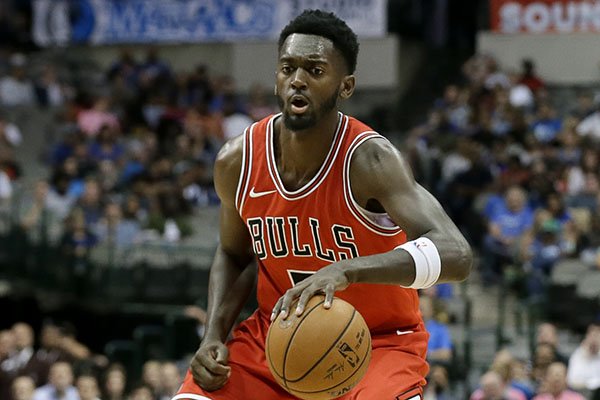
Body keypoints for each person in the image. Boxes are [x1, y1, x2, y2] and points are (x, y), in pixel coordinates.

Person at [174, 9, 472, 400]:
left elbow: (457, 255)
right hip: (278, 334)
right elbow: (234, 254)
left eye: (315, 71)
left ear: (345, 86)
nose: (297, 80)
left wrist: (349, 270)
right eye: (288, 68)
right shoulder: (237, 161)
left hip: (377, 342)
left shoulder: (371, 160)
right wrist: (213, 333)